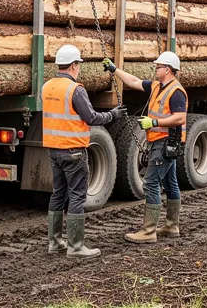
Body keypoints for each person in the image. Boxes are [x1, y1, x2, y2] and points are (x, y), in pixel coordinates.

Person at [42, 45, 127, 259]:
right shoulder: (75, 89)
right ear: (73, 65)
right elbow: (91, 118)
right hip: (73, 151)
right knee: (78, 196)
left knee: (58, 194)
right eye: (78, 64)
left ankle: (55, 243)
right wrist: (113, 115)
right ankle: (76, 247)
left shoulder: (47, 87)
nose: (78, 68)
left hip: (54, 150)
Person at [102, 52, 187, 244]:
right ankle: (172, 226)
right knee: (170, 183)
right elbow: (134, 81)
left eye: (158, 67)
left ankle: (149, 231)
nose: (155, 69)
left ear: (167, 69)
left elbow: (180, 118)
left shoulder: (176, 92)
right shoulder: (158, 86)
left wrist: (154, 121)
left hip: (166, 142)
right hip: (161, 141)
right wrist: (115, 70)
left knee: (150, 184)